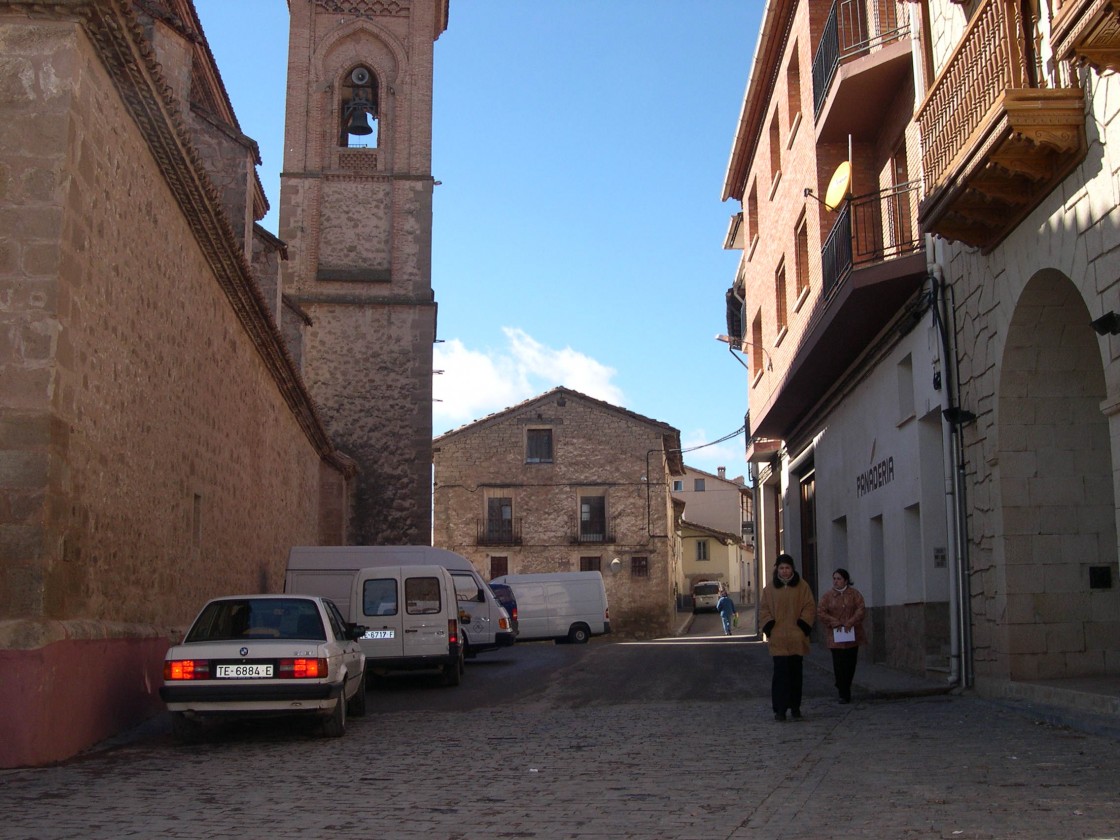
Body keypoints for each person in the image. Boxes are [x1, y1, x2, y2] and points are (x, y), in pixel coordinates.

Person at [758, 553, 816, 722]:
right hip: (779, 639)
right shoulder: (769, 590)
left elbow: (809, 607)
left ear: (792, 569)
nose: (784, 571)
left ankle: (795, 706)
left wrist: (803, 626)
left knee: (796, 675)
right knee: (780, 675)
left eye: (787, 568)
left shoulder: (802, 587)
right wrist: (769, 627)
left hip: (797, 638)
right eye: (782, 568)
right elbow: (764, 610)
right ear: (777, 569)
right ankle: (780, 709)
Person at [816, 567, 866, 704]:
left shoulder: (854, 595)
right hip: (836, 634)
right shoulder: (828, 596)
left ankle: (846, 685)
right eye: (834, 579)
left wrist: (851, 621)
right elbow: (821, 611)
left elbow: (861, 609)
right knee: (838, 663)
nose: (836, 581)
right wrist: (833, 621)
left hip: (852, 633)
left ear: (846, 580)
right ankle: (842, 691)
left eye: (839, 579)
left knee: (850, 663)